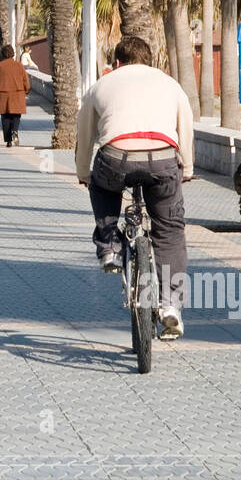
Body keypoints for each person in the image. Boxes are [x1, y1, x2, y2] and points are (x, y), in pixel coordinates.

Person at [76, 36, 194, 339]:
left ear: (116, 63)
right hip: (163, 160)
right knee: (169, 231)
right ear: (150, 61)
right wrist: (188, 168)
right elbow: (186, 124)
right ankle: (171, 306)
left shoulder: (102, 84)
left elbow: (85, 134)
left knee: (101, 187)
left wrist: (82, 172)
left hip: (116, 157)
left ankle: (110, 249)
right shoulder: (169, 84)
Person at [0, 44, 30, 147]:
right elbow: (25, 81)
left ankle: (8, 140)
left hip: (3, 94)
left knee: (5, 117)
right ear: (13, 53)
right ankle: (15, 131)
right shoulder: (19, 66)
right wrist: (26, 90)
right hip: (17, 94)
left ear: (2, 54)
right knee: (16, 115)